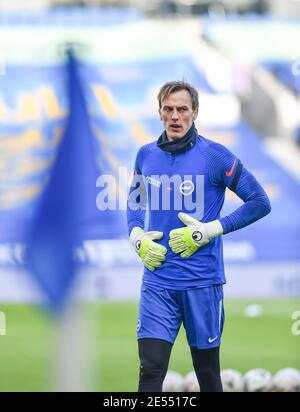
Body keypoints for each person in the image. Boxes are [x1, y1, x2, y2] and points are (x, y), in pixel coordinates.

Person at [127, 80, 271, 392]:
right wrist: (136, 235)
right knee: (150, 373)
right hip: (158, 281)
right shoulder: (145, 155)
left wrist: (211, 229)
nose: (175, 116)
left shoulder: (216, 156)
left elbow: (260, 202)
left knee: (207, 376)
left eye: (182, 109)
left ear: (195, 113)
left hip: (202, 284)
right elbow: (135, 203)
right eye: (168, 109)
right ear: (159, 112)